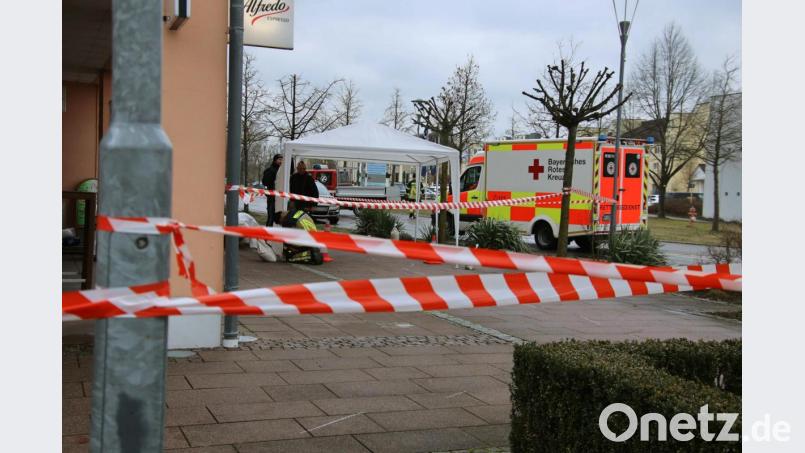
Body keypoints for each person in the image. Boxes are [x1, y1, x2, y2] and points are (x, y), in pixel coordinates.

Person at [261, 154, 283, 226]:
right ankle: (267, 234)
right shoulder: (270, 170)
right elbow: (265, 182)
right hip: (272, 197)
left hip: (281, 197)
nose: (281, 161)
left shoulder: (283, 170)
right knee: (271, 216)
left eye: (282, 159)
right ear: (275, 160)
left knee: (280, 217)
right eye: (279, 159)